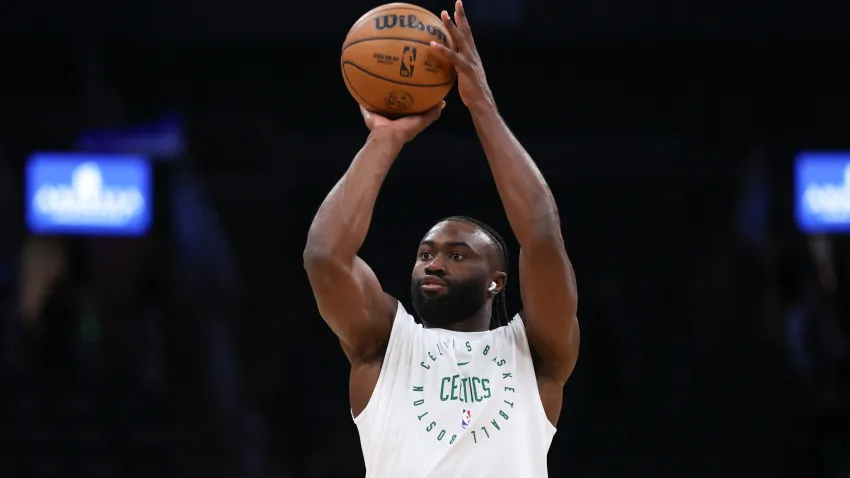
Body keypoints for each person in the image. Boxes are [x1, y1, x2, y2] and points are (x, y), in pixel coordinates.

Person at [303, 2, 579, 476]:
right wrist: (384, 140)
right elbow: (325, 256)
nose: (433, 264)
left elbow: (541, 235)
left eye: (456, 255)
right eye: (425, 254)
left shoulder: (536, 356)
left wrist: (482, 106)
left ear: (496, 281)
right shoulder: (386, 346)